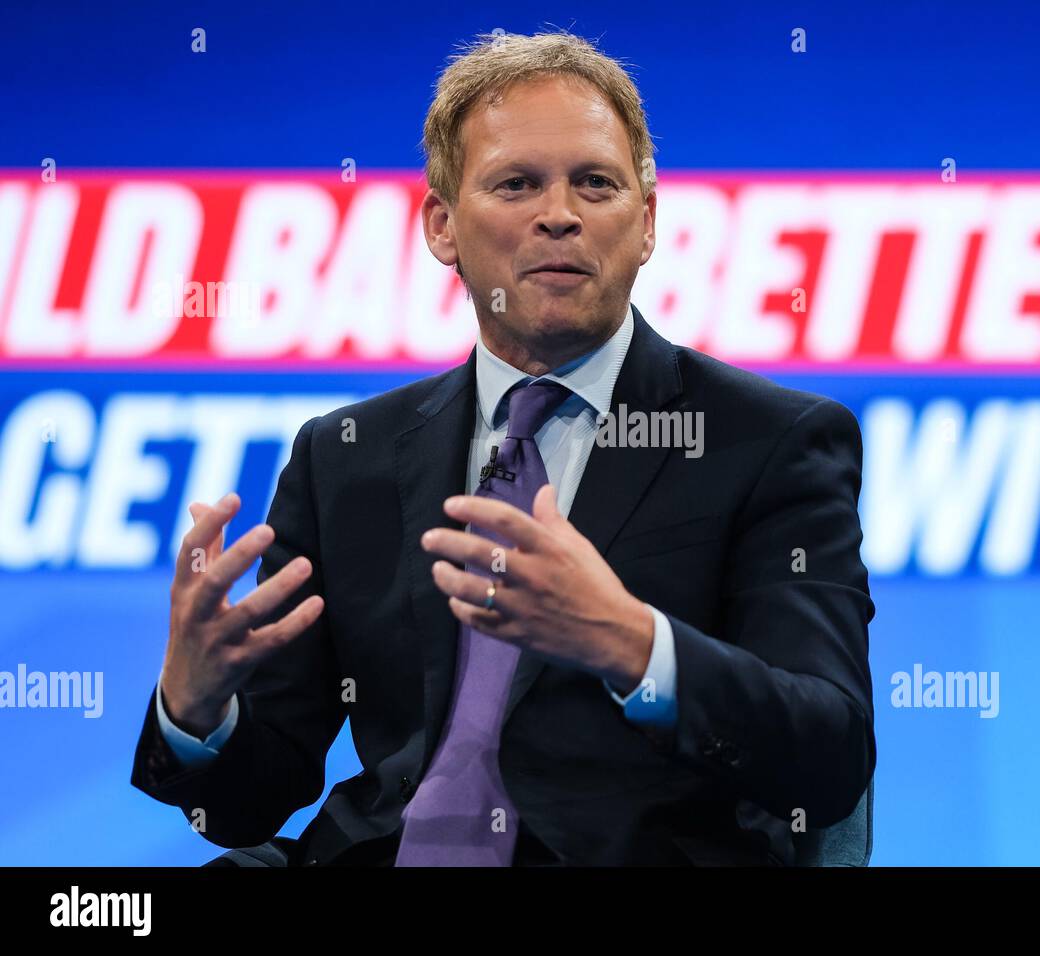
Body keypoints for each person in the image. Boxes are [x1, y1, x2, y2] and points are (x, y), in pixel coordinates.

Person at [131, 29, 876, 867]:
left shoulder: (768, 440)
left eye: (596, 183)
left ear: (647, 223)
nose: (560, 213)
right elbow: (250, 801)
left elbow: (829, 752)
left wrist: (631, 644)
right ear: (443, 227)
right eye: (517, 183)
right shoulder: (346, 454)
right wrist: (194, 713)